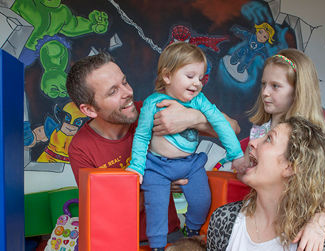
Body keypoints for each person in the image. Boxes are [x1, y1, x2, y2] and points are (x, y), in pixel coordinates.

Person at [66, 52, 240, 243]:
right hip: (122, 240)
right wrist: (158, 183)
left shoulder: (152, 110)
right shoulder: (80, 148)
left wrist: (192, 118)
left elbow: (233, 128)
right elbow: (107, 211)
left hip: (170, 233)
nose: (127, 92)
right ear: (89, 109)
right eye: (113, 91)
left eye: (124, 82)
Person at [127, 42, 244, 250]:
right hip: (157, 167)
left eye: (200, 78)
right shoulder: (153, 103)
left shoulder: (199, 101)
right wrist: (137, 166)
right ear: (167, 76)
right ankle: (157, 245)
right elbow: (142, 136)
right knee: (157, 207)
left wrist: (236, 153)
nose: (197, 83)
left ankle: (191, 230)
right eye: (190, 76)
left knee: (202, 202)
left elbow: (222, 124)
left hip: (190, 165)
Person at [233, 48, 325, 250]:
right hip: (256, 215)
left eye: (275, 86)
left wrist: (318, 222)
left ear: (298, 91)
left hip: (289, 225)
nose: (265, 92)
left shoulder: (309, 141)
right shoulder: (259, 129)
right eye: (263, 84)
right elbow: (247, 170)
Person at [207, 116, 325, 251]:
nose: (252, 142)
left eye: (269, 138)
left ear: (290, 167)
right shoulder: (224, 219)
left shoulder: (320, 237)